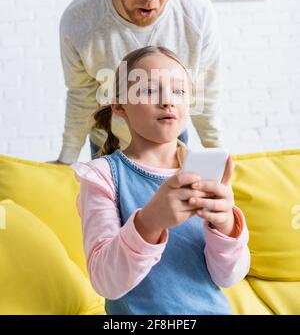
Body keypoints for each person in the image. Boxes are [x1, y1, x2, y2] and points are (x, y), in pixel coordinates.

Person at [71, 46, 250, 315]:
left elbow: (228, 277)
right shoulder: (101, 177)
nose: (168, 101)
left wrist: (225, 226)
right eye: (150, 90)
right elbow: (105, 281)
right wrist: (150, 221)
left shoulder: (206, 171)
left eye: (179, 91)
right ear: (119, 104)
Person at [52, 0, 223, 164]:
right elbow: (82, 95)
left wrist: (217, 156)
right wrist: (65, 161)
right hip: (107, 142)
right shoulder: (80, 20)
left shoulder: (197, 16)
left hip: (167, 134)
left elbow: (205, 93)